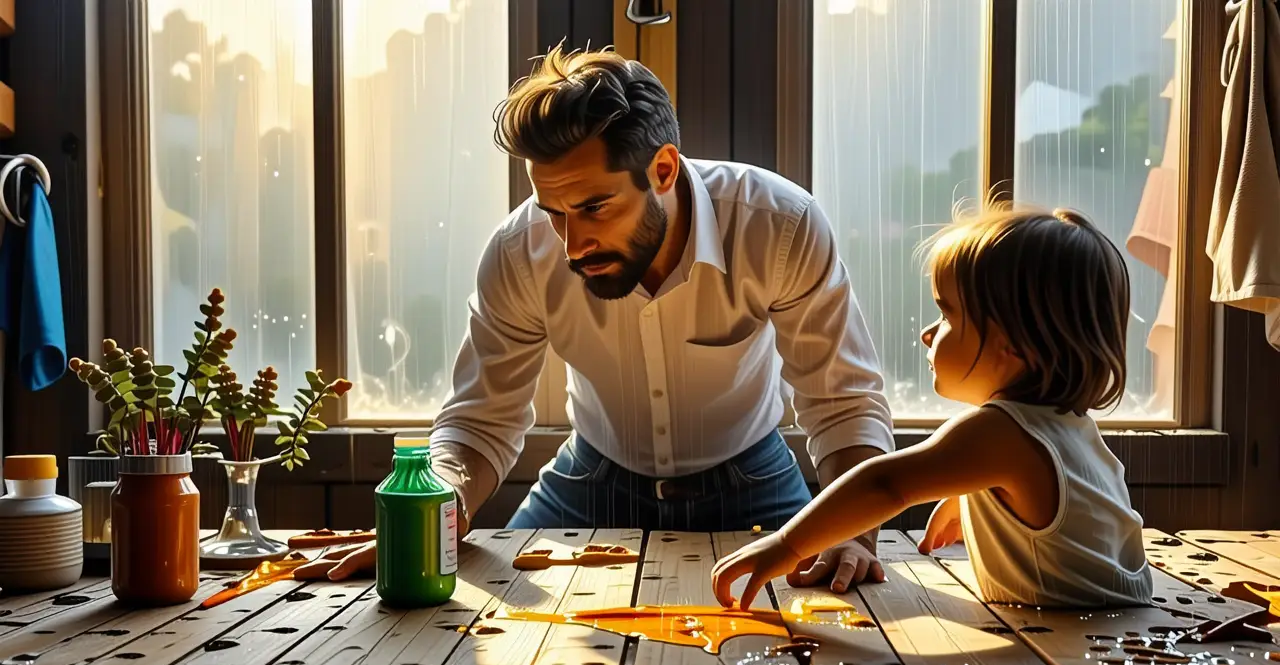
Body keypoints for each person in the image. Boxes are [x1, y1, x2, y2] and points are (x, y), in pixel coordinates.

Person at [297, 45, 896, 591]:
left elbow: (843, 403)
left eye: (594, 207)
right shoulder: (519, 252)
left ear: (663, 170)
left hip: (754, 479)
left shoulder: (780, 224)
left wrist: (854, 527)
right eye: (552, 210)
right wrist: (430, 516)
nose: (570, 244)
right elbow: (480, 420)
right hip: (590, 481)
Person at [711, 206, 1155, 610]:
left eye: (947, 315)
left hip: (1078, 644)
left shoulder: (998, 433)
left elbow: (885, 483)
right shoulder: (1070, 426)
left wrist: (787, 545)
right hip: (1117, 626)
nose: (928, 333)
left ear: (1013, 347)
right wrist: (969, 496)